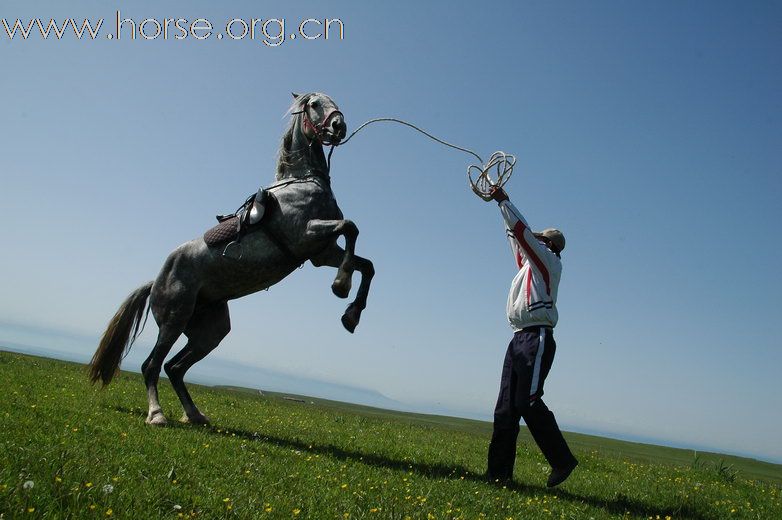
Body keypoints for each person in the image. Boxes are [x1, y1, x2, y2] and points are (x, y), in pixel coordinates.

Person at [486, 186, 578, 488]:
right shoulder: (529, 265)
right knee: (505, 408)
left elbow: (522, 233)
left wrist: (505, 201)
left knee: (528, 401)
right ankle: (499, 475)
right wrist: (500, 209)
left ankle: (562, 461)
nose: (534, 240)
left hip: (536, 338)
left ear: (548, 244)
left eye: (540, 239)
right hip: (518, 339)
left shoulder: (548, 262)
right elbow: (515, 237)